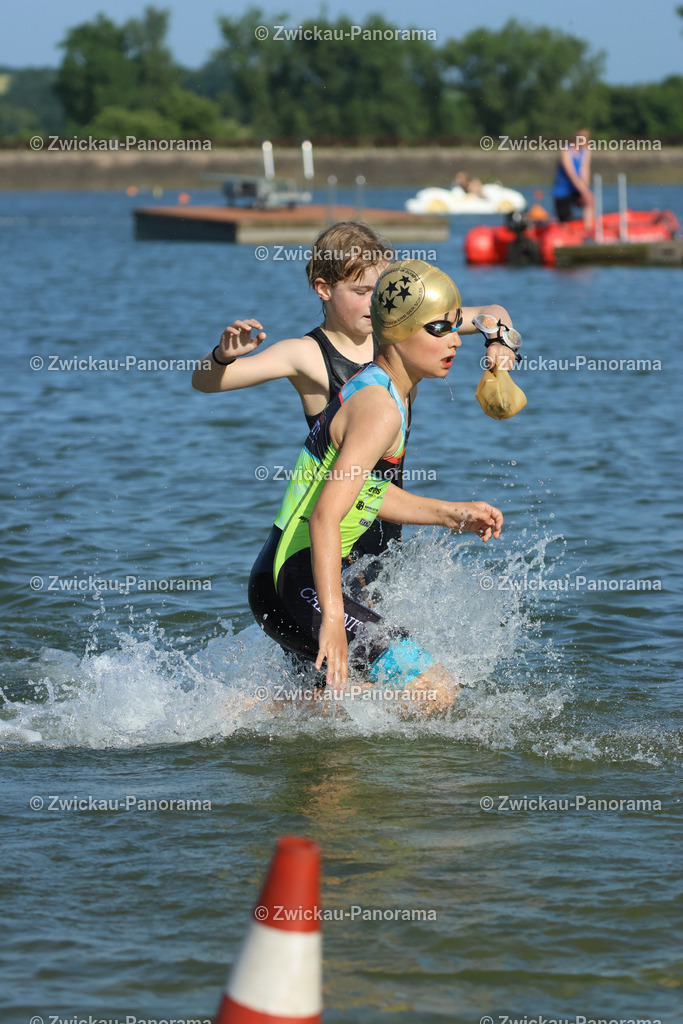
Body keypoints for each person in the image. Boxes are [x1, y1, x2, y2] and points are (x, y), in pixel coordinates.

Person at [247, 260, 505, 701]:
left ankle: (279, 711)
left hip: (290, 579)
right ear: (398, 332)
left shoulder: (386, 387)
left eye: (454, 327)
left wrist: (450, 514)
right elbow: (325, 517)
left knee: (366, 713)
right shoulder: (379, 409)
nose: (456, 340)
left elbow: (364, 493)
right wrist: (333, 618)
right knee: (433, 691)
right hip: (293, 582)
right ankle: (262, 711)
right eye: (439, 329)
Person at [192, 221, 516, 569]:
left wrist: (500, 341)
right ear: (324, 289)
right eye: (361, 291)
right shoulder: (306, 355)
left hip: (385, 535)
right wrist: (222, 355)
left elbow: (494, 313)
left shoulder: (401, 335)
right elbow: (205, 382)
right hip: (326, 539)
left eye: (381, 292)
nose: (374, 302)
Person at [552, 128, 594, 230]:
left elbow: (585, 172)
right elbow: (572, 174)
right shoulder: (566, 151)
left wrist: (586, 191)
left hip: (577, 189)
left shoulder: (586, 151)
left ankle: (588, 229)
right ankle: (564, 232)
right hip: (562, 191)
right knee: (565, 220)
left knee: (590, 200)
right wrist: (584, 192)